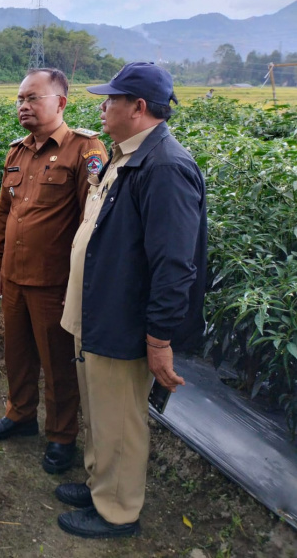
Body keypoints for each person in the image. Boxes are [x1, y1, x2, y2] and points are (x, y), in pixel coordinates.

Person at [56, 62, 207, 538]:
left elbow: (175, 264)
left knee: (120, 416)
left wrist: (159, 338)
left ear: (138, 108)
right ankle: (101, 481)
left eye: (112, 100)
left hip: (123, 320)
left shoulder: (166, 168)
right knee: (100, 408)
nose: (103, 107)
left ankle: (118, 511)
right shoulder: (128, 155)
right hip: (99, 311)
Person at [0, 68, 107, 475]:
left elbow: (93, 220)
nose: (24, 105)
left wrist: (82, 282)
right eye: (20, 98)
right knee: (16, 353)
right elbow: (5, 213)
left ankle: (61, 436)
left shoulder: (84, 150)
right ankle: (19, 415)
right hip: (16, 276)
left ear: (61, 103)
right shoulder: (17, 152)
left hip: (55, 282)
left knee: (57, 363)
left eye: (33, 98)